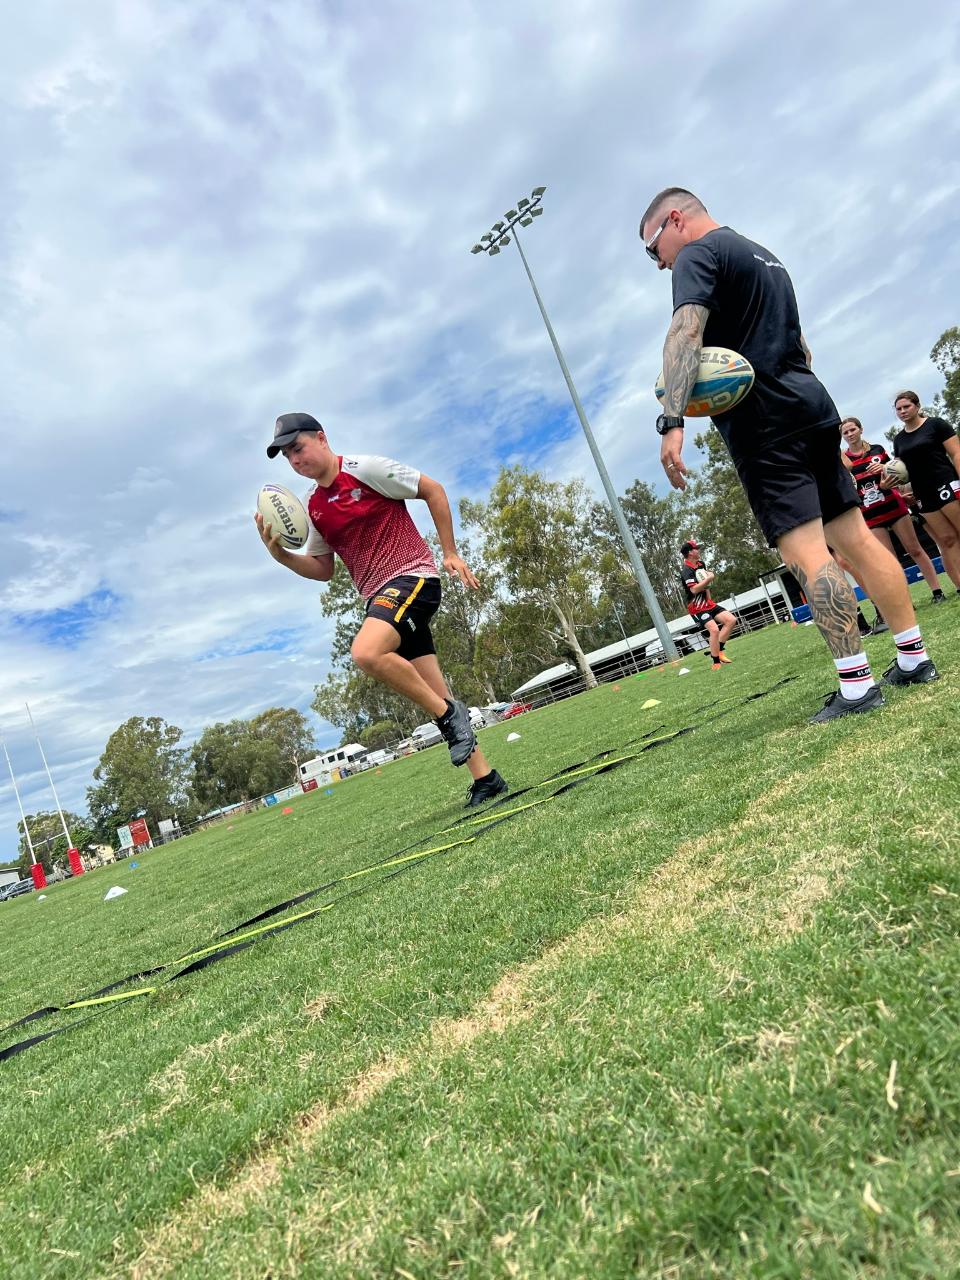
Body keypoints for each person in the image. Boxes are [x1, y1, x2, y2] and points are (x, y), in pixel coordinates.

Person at [640, 188, 938, 722]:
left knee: (806, 554)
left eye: (653, 248)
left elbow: (684, 331)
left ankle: (856, 687)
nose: (659, 262)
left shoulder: (696, 256)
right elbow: (803, 348)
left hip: (766, 424)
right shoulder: (765, 256)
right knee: (855, 538)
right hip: (813, 404)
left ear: (676, 220)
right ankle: (914, 658)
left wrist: (672, 420)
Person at [255, 412, 508, 807]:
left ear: (322, 438)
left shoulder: (365, 469)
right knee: (434, 692)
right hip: (379, 599)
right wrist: (281, 556)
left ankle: (449, 716)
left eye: (298, 448)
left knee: (366, 652)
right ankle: (487, 778)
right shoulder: (313, 508)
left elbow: (434, 490)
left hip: (413, 579)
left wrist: (450, 552)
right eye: (287, 455)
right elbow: (323, 571)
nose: (294, 460)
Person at [840, 415, 949, 606]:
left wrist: (884, 471)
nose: (850, 434)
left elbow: (898, 474)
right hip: (870, 515)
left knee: (915, 549)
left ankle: (937, 591)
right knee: (890, 560)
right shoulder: (844, 461)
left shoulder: (877, 450)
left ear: (861, 429)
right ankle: (906, 603)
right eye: (845, 432)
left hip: (895, 506)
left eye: (853, 430)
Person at [891, 390, 960, 591]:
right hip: (922, 494)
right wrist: (903, 490)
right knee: (947, 539)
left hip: (945, 483)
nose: (903, 411)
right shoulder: (899, 439)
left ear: (917, 406)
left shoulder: (936, 424)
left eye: (907, 406)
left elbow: (956, 453)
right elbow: (902, 469)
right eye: (898, 409)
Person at [678, 539, 736, 669]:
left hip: (707, 604)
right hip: (696, 607)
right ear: (690, 552)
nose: (699, 550)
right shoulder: (686, 570)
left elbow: (706, 586)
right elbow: (694, 589)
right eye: (696, 548)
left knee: (731, 620)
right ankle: (716, 663)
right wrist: (710, 577)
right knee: (714, 630)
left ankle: (719, 651)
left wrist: (709, 599)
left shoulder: (701, 564)